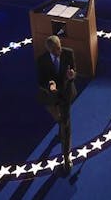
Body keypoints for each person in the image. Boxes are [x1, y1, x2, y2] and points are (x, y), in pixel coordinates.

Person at [37, 35, 78, 171]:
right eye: (56, 49)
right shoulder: (42, 60)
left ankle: (66, 157)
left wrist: (72, 76)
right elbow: (41, 81)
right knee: (60, 120)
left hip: (65, 94)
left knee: (66, 124)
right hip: (51, 98)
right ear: (50, 50)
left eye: (60, 46)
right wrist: (49, 84)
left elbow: (73, 72)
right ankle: (60, 125)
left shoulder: (68, 53)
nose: (59, 50)